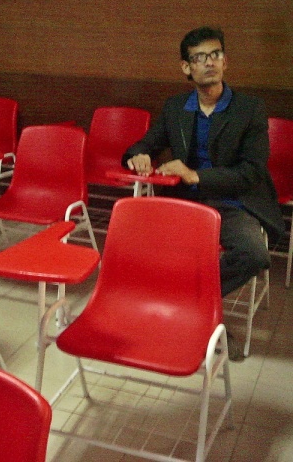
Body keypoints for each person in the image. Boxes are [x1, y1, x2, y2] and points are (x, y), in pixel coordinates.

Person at [122, 26, 285, 360]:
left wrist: (195, 174)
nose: (210, 62)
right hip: (186, 202)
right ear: (187, 67)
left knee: (254, 254)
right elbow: (147, 143)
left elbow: (252, 172)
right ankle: (188, 315)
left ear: (225, 61)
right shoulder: (176, 107)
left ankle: (189, 305)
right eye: (200, 57)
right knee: (136, 244)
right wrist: (137, 155)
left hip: (233, 202)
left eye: (216, 54)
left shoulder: (249, 109)